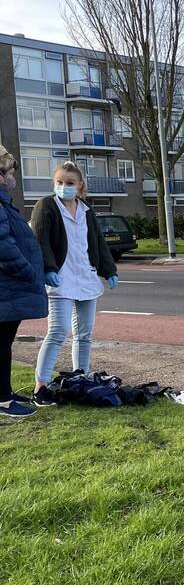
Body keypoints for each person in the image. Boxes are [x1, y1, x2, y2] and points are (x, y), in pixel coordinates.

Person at [30, 161, 118, 405]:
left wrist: (109, 269)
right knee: (57, 332)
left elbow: (97, 241)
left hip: (85, 276)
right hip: (60, 278)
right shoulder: (47, 205)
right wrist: (48, 268)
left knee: (84, 334)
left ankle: (81, 376)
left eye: (69, 183)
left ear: (79, 186)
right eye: (59, 182)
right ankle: (40, 387)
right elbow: (40, 239)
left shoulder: (86, 209)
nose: (64, 187)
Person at [0, 145, 48, 418]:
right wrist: (27, 270)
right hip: (7, 286)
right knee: (1, 343)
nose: (13, 176)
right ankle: (3, 400)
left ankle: (3, 392)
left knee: (4, 342)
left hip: (8, 287)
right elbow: (3, 245)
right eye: (10, 170)